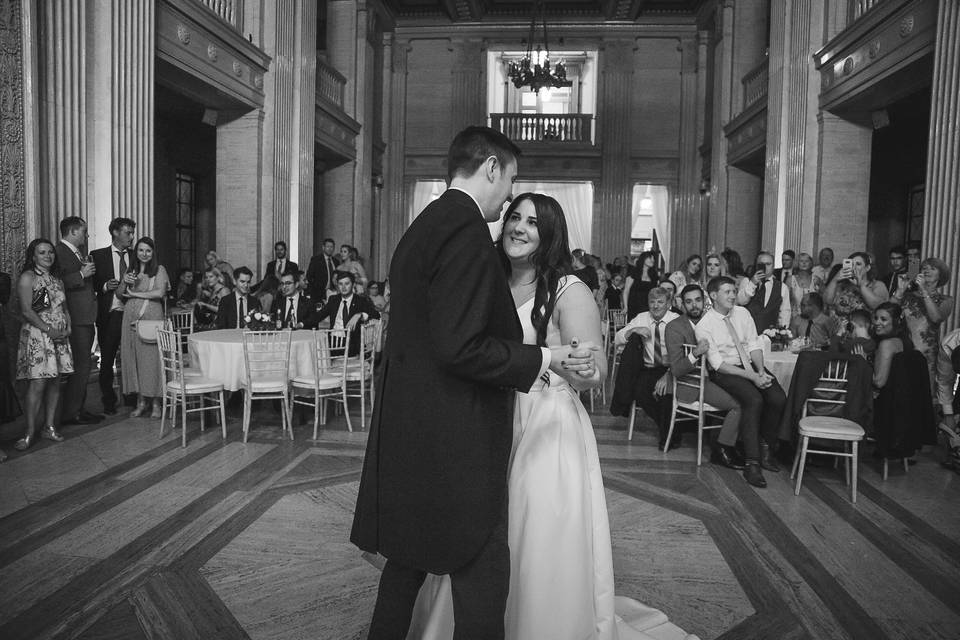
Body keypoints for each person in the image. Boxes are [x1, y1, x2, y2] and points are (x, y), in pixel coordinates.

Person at [408, 192, 690, 640]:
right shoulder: (487, 278)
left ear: (550, 233)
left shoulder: (568, 289)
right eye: (514, 217)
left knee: (536, 534)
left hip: (545, 424)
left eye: (533, 223)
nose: (519, 228)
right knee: (479, 532)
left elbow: (594, 370)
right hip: (483, 419)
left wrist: (578, 365)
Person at [350, 127, 584, 640]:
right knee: (482, 577)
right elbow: (460, 346)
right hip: (457, 435)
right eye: (510, 181)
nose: (508, 197)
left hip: (416, 425)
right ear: (492, 169)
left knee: (407, 561)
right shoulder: (467, 233)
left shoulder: (427, 224)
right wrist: (545, 356)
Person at [696, 276, 787, 488]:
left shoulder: (743, 313)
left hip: (751, 365)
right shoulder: (704, 325)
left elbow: (754, 344)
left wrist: (761, 371)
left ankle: (766, 449)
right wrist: (753, 378)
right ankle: (752, 463)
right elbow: (717, 365)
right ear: (713, 295)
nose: (733, 295)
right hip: (726, 371)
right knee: (753, 399)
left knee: (777, 398)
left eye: (734, 291)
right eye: (727, 292)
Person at [666, 284, 744, 469]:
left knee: (749, 395)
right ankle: (722, 450)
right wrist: (695, 353)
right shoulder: (674, 327)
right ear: (682, 305)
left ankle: (740, 446)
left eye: (698, 300)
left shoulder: (713, 321)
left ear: (705, 301)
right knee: (737, 406)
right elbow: (676, 370)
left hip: (718, 376)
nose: (694, 305)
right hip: (694, 383)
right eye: (689, 302)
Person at [14, 238, 74, 449]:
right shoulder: (28, 278)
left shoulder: (57, 279)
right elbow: (27, 311)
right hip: (39, 334)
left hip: (59, 334)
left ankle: (48, 427)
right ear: (33, 256)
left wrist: (68, 326)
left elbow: (64, 307)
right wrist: (49, 330)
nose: (48, 256)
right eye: (42, 252)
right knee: (38, 383)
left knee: (55, 381)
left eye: (50, 252)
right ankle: (29, 431)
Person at [613, 287, 680, 450]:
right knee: (639, 391)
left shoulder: (676, 320)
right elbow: (617, 338)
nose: (656, 306)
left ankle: (667, 438)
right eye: (652, 302)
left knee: (665, 395)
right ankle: (672, 429)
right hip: (649, 368)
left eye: (660, 302)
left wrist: (670, 373)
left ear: (668, 304)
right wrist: (633, 330)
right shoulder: (642, 318)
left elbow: (683, 352)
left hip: (670, 369)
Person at [56, 216, 102, 426]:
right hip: (75, 317)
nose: (87, 235)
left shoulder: (78, 253)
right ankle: (71, 412)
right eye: (84, 231)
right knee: (81, 366)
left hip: (85, 315)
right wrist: (81, 275)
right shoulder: (58, 252)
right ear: (73, 231)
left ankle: (78, 409)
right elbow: (54, 284)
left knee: (84, 365)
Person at [118, 237, 170, 419]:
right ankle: (141, 401)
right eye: (141, 250)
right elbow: (119, 294)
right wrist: (124, 282)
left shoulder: (159, 270)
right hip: (130, 319)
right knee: (135, 360)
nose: (144, 254)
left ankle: (156, 402)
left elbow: (159, 293)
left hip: (151, 318)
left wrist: (135, 293)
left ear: (153, 252)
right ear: (136, 252)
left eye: (148, 250)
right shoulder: (130, 270)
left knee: (152, 360)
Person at [890, 257, 954, 403]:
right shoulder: (907, 296)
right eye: (924, 267)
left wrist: (924, 291)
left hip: (927, 356)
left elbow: (936, 318)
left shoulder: (946, 300)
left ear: (941, 275)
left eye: (932, 268)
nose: (927, 270)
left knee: (922, 397)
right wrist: (900, 290)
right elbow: (888, 312)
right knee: (901, 395)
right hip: (903, 350)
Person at [91, 217, 136, 415]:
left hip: (132, 315)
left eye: (132, 233)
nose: (132, 237)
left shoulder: (136, 256)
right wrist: (103, 287)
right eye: (128, 233)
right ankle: (108, 400)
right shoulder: (98, 255)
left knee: (130, 358)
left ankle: (131, 397)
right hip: (110, 315)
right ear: (116, 232)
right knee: (107, 360)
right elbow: (90, 285)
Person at [309, 271, 380, 355]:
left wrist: (360, 315)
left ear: (353, 284)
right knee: (313, 353)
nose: (343, 287)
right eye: (340, 284)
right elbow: (318, 316)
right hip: (332, 344)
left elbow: (376, 315)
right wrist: (301, 323)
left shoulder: (360, 301)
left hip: (351, 346)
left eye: (347, 283)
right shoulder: (333, 300)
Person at [822, 251, 889, 327]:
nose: (854, 267)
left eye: (858, 264)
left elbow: (876, 305)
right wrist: (835, 279)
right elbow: (827, 301)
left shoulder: (877, 285)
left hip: (863, 333)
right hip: (839, 332)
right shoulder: (842, 285)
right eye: (852, 264)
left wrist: (861, 286)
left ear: (867, 268)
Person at [737, 251, 791, 332]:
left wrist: (782, 333)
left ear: (773, 266)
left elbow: (785, 313)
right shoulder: (747, 281)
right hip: (747, 332)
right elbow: (741, 301)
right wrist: (752, 283)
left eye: (768, 264)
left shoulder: (782, 287)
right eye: (761, 264)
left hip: (770, 335)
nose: (765, 267)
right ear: (756, 266)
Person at [786, 252, 822, 319]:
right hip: (795, 319)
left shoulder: (816, 279)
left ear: (810, 263)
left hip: (814, 319)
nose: (804, 263)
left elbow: (823, 300)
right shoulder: (790, 280)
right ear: (797, 263)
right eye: (801, 261)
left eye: (806, 261)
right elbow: (785, 301)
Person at [623, 250, 658, 318]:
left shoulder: (654, 275)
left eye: (654, 258)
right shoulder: (633, 273)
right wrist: (625, 307)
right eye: (650, 258)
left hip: (648, 307)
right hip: (634, 306)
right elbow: (626, 291)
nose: (652, 260)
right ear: (643, 259)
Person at [305, 237, 338, 302]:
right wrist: (315, 289)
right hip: (319, 294)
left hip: (334, 293)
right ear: (323, 247)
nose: (330, 249)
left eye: (332, 247)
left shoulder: (336, 261)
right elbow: (309, 276)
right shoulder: (316, 260)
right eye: (328, 246)